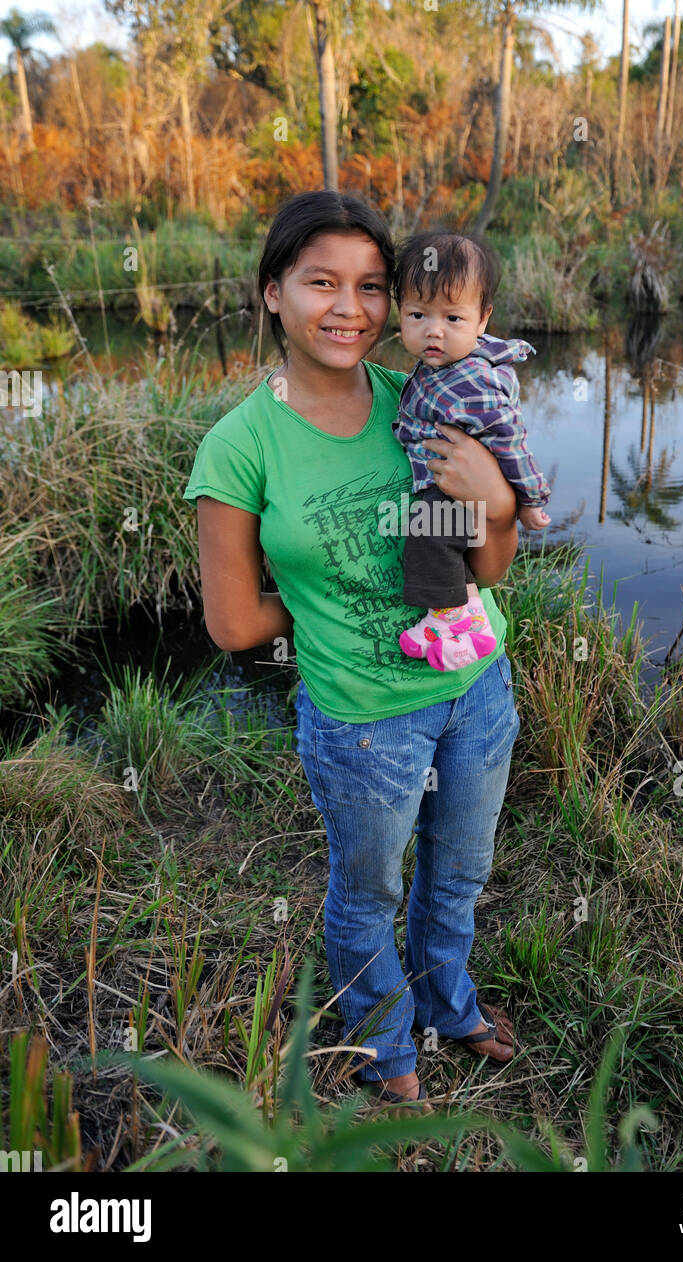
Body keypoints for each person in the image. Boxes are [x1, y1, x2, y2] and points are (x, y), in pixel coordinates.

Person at [182, 190, 522, 1112]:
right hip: (364, 724)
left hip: (477, 692)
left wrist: (492, 492)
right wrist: (324, 599)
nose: (352, 308)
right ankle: (380, 1036)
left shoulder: (421, 397)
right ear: (272, 294)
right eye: (321, 282)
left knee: (460, 871)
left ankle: (451, 1005)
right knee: (368, 890)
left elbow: (490, 563)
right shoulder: (239, 449)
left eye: (373, 286)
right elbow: (231, 625)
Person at [392, 230, 552, 671]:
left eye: (453, 319)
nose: (433, 331)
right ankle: (455, 615)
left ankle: (456, 620)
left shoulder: (471, 380)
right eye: (418, 315)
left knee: (427, 533)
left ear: (483, 320)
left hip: (455, 488)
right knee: (433, 538)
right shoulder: (438, 368)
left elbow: (510, 438)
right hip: (450, 481)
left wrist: (530, 499)